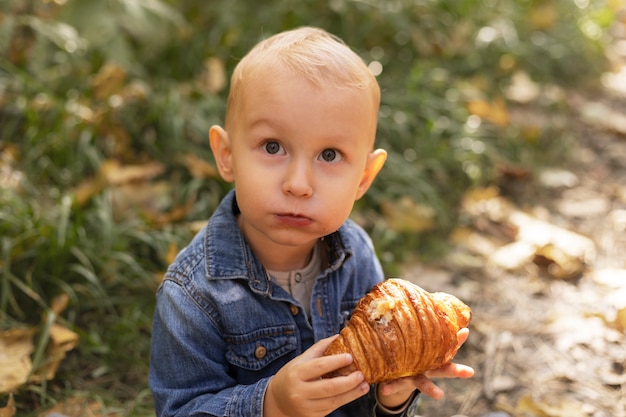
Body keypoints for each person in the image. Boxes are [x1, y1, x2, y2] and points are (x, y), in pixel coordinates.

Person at [149, 26, 473, 417]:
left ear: (364, 178)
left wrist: (393, 396)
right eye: (273, 147)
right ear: (227, 155)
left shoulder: (357, 257)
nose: (298, 184)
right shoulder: (193, 294)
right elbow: (180, 409)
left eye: (330, 155)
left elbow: (368, 388)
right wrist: (271, 404)